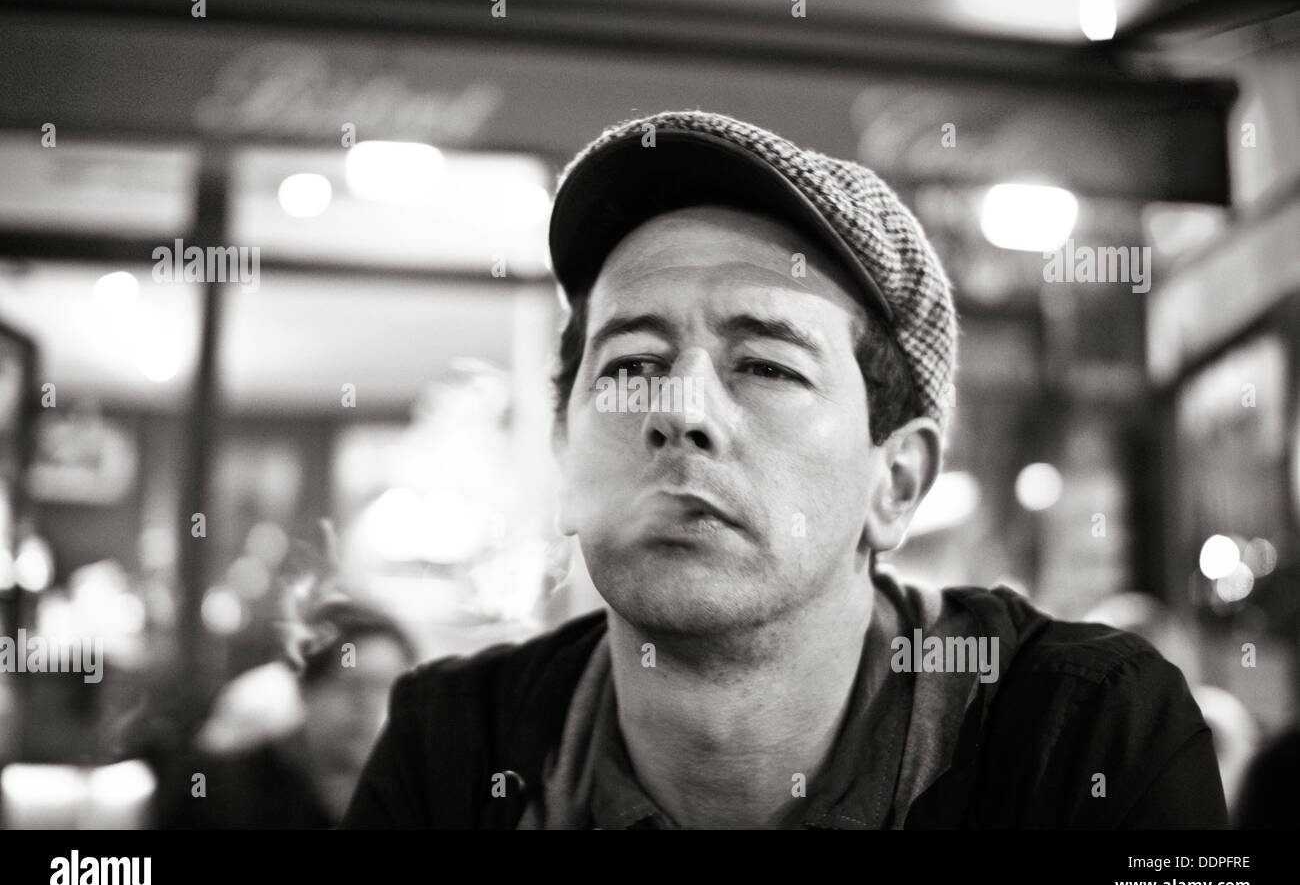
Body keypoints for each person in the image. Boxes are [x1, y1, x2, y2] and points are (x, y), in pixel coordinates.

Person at [342, 110, 1227, 829]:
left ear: (898, 483)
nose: (679, 411)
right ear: (566, 455)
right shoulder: (455, 746)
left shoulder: (1084, 730)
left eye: (766, 366)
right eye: (631, 366)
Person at [160, 601, 414, 829]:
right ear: (306, 689)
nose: (369, 706)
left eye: (388, 688)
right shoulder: (227, 789)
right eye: (353, 686)